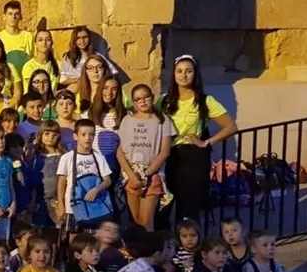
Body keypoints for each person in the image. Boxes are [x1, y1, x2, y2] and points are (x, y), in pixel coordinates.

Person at [162, 55, 238, 226]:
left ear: (195, 74)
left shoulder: (205, 100)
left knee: (189, 206)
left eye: (188, 71)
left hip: (193, 157)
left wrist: (206, 142)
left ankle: (189, 240)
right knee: (169, 203)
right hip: (170, 155)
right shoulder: (165, 100)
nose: (183, 75)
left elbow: (230, 126)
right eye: (179, 71)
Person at [117, 84, 175, 231]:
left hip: (152, 174)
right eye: (138, 99)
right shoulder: (127, 120)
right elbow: (120, 152)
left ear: (152, 97)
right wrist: (132, 175)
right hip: (131, 174)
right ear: (133, 102)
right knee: (134, 222)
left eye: (146, 97)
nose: (142, 101)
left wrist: (145, 174)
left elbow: (165, 152)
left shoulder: (163, 120)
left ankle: (149, 245)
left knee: (146, 222)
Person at [56, 119, 113, 231]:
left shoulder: (99, 157)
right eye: (83, 134)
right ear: (75, 136)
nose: (88, 138)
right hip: (72, 208)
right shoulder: (67, 158)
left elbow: (107, 180)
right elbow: (61, 182)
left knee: (91, 237)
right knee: (73, 237)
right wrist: (61, 204)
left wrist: (96, 190)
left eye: (91, 134)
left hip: (94, 208)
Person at [31, 119, 64, 227]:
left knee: (56, 230)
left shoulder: (63, 157)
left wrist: (61, 202)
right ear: (40, 135)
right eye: (47, 134)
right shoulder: (34, 156)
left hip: (56, 201)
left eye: (54, 135)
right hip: (38, 201)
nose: (50, 137)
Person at [0, 1, 34, 83]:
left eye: (16, 14)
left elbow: (34, 59)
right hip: (5, 81)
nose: (13, 17)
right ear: (4, 17)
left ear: (20, 17)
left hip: (25, 81)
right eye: (10, 14)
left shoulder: (28, 37)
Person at [21, 30, 60, 95]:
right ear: (35, 44)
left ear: (51, 43)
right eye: (40, 40)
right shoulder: (29, 66)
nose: (44, 42)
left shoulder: (58, 64)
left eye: (47, 40)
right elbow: (29, 91)